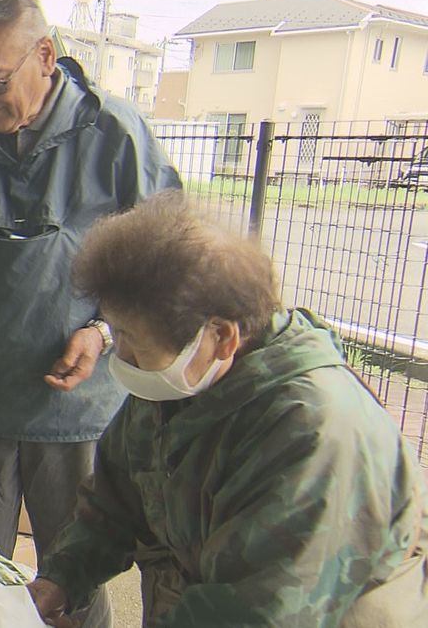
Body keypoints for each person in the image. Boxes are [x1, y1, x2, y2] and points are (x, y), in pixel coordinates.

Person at [0, 0, 180, 625]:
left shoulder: (115, 135)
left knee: (74, 578)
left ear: (45, 56)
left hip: (80, 411)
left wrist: (105, 332)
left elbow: (165, 264)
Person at [30, 192, 428, 627]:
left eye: (134, 343)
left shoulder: (316, 434)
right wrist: (61, 579)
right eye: (116, 334)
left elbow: (257, 610)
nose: (121, 358)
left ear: (220, 337)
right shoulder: (178, 382)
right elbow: (116, 500)